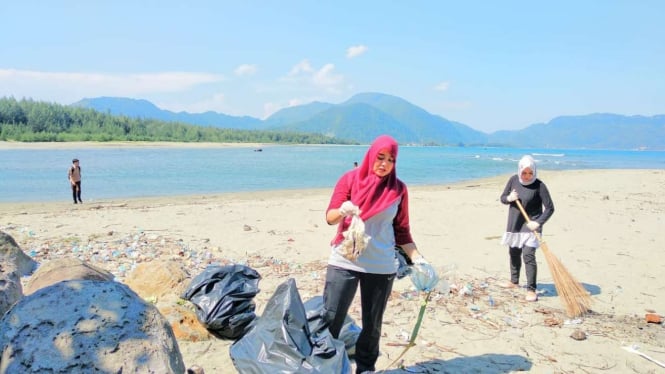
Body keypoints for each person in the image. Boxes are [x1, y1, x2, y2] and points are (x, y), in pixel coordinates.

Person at [322, 135, 428, 374]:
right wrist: (343, 210)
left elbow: (402, 231)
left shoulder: (398, 190)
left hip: (381, 265)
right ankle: (323, 366)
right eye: (380, 158)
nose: (384, 164)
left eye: (390, 159)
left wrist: (418, 259)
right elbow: (329, 217)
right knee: (330, 319)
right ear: (371, 156)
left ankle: (366, 368)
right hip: (344, 259)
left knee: (373, 326)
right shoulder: (349, 180)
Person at [499, 155, 554, 302]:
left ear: (535, 172)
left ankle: (531, 289)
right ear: (520, 171)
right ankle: (514, 281)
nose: (528, 176)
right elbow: (503, 198)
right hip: (515, 223)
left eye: (530, 173)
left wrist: (539, 222)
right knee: (514, 252)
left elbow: (550, 208)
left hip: (531, 224)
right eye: (525, 172)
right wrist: (509, 198)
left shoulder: (539, 186)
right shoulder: (513, 180)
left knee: (528, 255)